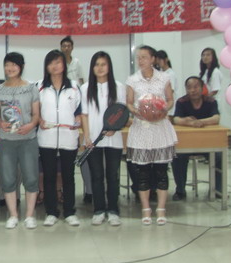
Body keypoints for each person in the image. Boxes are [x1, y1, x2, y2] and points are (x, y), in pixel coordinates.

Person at [126, 45, 177, 226]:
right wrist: (137, 111)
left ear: (153, 59)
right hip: (141, 129)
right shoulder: (132, 80)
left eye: (144, 57)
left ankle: (161, 209)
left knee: (161, 171)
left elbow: (170, 100)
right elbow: (129, 103)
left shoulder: (164, 78)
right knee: (143, 172)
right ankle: (146, 209)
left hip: (160, 128)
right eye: (138, 57)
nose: (140, 61)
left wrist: (162, 110)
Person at [0, 52, 40, 229]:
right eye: (7, 65)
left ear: (21, 67)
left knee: (31, 177)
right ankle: (13, 215)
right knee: (8, 178)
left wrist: (31, 125)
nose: (10, 68)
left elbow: (36, 115)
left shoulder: (31, 88)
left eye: (14, 64)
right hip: (6, 141)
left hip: (28, 139)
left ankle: (29, 216)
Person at [80, 51, 126, 227]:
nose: (100, 68)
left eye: (103, 64)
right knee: (96, 176)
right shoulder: (85, 88)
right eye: (97, 64)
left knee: (112, 176)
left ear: (109, 67)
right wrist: (87, 136)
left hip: (114, 139)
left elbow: (121, 112)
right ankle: (98, 210)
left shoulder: (118, 87)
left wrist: (114, 128)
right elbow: (84, 114)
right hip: (93, 140)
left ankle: (113, 210)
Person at [38, 49, 81, 227]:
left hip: (68, 137)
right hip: (46, 138)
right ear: (46, 66)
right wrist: (39, 120)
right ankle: (51, 212)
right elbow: (34, 111)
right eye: (51, 63)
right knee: (48, 176)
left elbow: (79, 110)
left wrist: (78, 119)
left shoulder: (74, 86)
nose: (54, 66)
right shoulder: (39, 87)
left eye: (58, 62)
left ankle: (70, 212)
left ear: (64, 65)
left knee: (68, 176)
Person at [171, 76, 220, 200]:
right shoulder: (181, 102)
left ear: (202, 88)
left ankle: (217, 190)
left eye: (196, 87)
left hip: (207, 143)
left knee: (219, 156)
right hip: (186, 143)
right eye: (189, 88)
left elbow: (216, 118)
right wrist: (189, 123)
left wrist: (200, 122)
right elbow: (176, 119)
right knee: (177, 156)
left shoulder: (211, 101)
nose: (192, 90)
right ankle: (180, 190)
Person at [61, 36, 92, 204]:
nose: (66, 48)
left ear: (72, 47)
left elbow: (81, 80)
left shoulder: (77, 62)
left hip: (75, 96)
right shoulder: (59, 62)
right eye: (64, 46)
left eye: (68, 45)